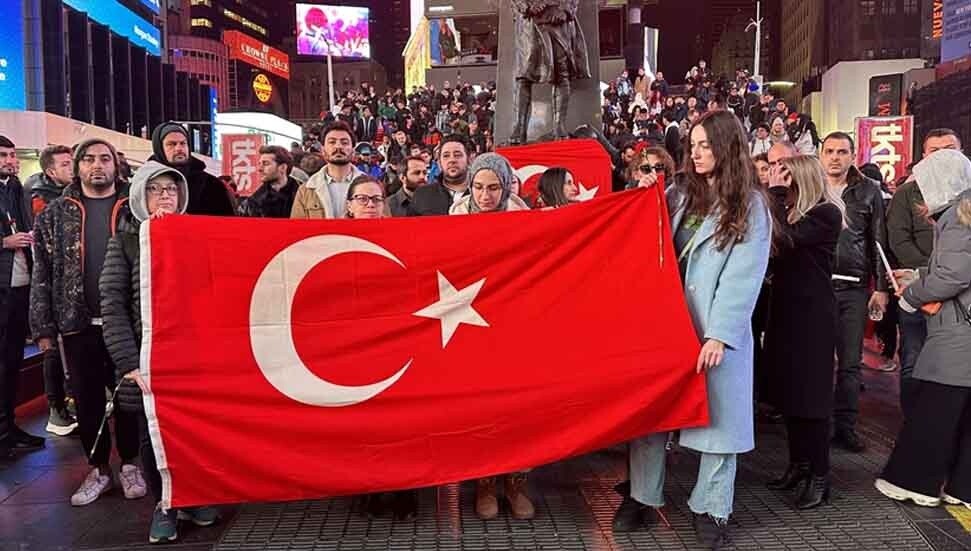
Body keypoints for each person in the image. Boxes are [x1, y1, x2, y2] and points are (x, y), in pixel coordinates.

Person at [614, 111, 772, 550]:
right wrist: (640, 196)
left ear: (727, 146)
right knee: (653, 414)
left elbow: (744, 275)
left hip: (713, 329)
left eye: (706, 145)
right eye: (693, 145)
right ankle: (643, 495)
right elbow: (641, 233)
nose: (696, 153)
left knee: (720, 423)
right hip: (665, 326)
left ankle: (712, 507)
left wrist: (719, 333)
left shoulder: (751, 205)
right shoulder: (678, 193)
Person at [99, 161, 220, 543]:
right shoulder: (127, 241)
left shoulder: (195, 238)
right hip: (148, 359)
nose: (165, 195)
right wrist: (129, 362)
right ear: (140, 196)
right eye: (156, 189)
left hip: (192, 355)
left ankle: (196, 496)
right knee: (156, 436)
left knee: (196, 431)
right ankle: (165, 504)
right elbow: (112, 303)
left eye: (171, 189)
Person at [30, 138, 145, 506]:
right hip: (76, 321)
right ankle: (98, 469)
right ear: (77, 166)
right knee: (87, 398)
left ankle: (130, 464)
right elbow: (42, 274)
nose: (98, 166)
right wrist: (43, 328)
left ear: (116, 165)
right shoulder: (53, 214)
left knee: (128, 397)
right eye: (90, 159)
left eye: (105, 159)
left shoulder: (134, 208)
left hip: (127, 323)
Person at [875, 149, 971, 509]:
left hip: (958, 334)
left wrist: (912, 291)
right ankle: (964, 487)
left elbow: (952, 275)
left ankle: (914, 482)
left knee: (934, 410)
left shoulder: (959, 216)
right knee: (963, 415)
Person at [448, 153, 531, 519]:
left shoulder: (524, 217)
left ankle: (515, 481)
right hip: (467, 322)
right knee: (478, 406)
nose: (485, 195)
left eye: (493, 188)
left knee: (518, 407)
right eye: (479, 187)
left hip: (514, 323)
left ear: (506, 186)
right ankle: (484, 482)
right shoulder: (452, 219)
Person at [763, 155, 844, 509]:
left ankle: (820, 474)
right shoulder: (793, 213)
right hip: (785, 312)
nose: (784, 190)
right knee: (790, 395)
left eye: (789, 183)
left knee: (812, 398)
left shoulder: (827, 214)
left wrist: (776, 196)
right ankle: (799, 464)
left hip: (813, 316)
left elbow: (786, 239)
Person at [821, 131, 889, 453]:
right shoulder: (812, 187)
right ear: (821, 155)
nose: (835, 157)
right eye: (830, 151)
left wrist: (882, 288)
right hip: (816, 285)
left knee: (849, 362)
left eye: (842, 151)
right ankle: (817, 422)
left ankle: (845, 426)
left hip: (854, 287)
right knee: (816, 360)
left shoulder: (868, 191)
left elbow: (879, 242)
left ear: (852, 155)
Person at [887, 128, 962, 415]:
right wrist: (927, 274)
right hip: (918, 291)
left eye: (949, 148)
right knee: (913, 358)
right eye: (935, 151)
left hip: (957, 298)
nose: (943, 155)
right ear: (923, 157)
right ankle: (914, 423)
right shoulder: (907, 194)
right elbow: (899, 240)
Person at [25, 145, 79, 436]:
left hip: (76, 292)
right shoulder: (42, 203)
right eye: (67, 164)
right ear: (51, 171)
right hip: (53, 289)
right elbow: (44, 259)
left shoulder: (72, 196)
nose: (73, 168)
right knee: (53, 352)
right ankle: (57, 409)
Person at [0, 136, 45, 460]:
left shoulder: (16, 189)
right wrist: (3, 242)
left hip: (21, 286)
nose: (10, 160)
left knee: (13, 360)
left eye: (12, 154)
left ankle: (8, 426)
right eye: (3, 155)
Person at [149, 123, 235, 215]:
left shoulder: (211, 184)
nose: (179, 148)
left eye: (183, 143)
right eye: (172, 144)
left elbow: (227, 224)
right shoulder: (145, 183)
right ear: (159, 148)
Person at [291, 122, 365, 219]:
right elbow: (297, 229)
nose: (338, 146)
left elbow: (383, 226)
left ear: (353, 151)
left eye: (344, 142)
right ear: (323, 150)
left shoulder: (373, 187)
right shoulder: (306, 191)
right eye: (332, 142)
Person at [409, 136, 473, 216]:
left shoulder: (482, 195)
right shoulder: (422, 195)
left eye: (457, 155)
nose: (451, 160)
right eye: (446, 156)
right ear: (439, 162)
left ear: (469, 159)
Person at [237, 146, 301, 218]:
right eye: (260, 164)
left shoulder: (305, 196)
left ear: (283, 167)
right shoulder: (252, 203)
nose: (260, 169)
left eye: (265, 163)